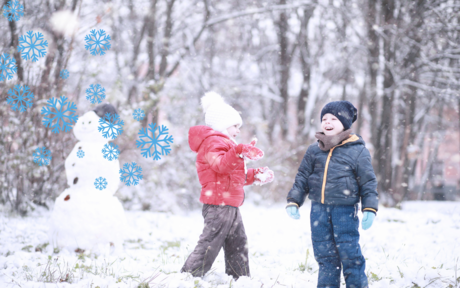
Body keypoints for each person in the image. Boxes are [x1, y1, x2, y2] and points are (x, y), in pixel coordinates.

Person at [181, 91, 274, 279]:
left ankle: (239, 278)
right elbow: (221, 166)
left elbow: (232, 176)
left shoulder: (226, 145)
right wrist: (240, 152)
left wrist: (255, 175)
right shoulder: (212, 142)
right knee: (210, 243)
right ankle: (188, 276)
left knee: (238, 243)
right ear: (222, 124)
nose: (238, 131)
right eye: (235, 126)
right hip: (217, 206)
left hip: (229, 205)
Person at [286, 100, 378, 288]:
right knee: (325, 257)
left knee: (350, 255)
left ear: (344, 123)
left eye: (333, 118)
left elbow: (368, 182)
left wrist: (369, 207)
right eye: (324, 118)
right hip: (318, 210)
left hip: (344, 211)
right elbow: (302, 176)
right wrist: (294, 200)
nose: (327, 122)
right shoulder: (314, 150)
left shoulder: (358, 151)